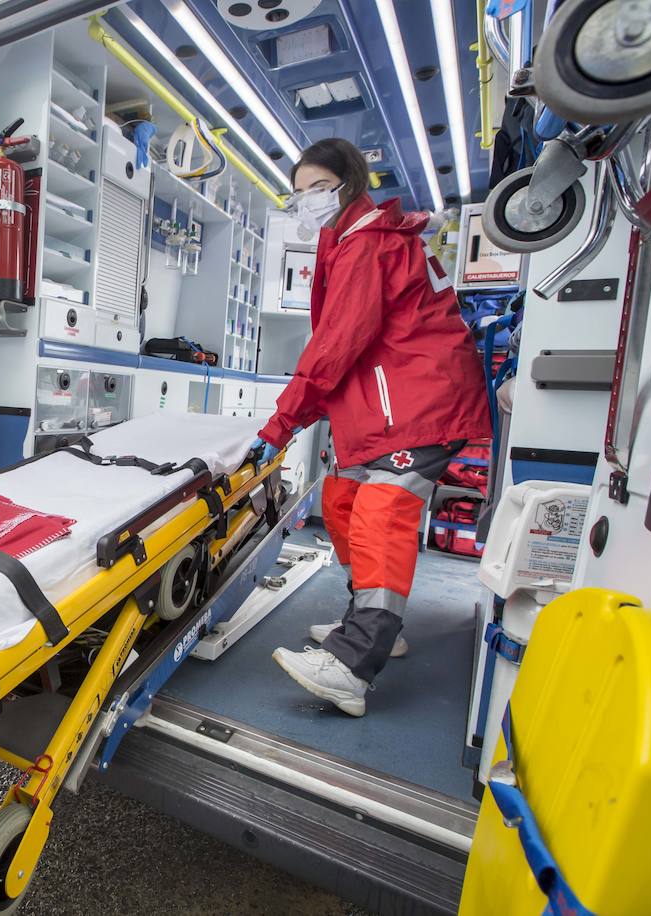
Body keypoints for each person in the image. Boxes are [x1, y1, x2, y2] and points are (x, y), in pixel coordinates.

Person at [248, 138, 490, 717]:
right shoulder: (345, 242)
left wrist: (281, 424)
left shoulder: (367, 244)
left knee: (381, 518)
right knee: (341, 504)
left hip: (418, 402)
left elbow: (336, 344)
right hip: (380, 406)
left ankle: (352, 666)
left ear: (350, 184)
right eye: (300, 191)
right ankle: (374, 621)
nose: (307, 201)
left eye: (318, 188)